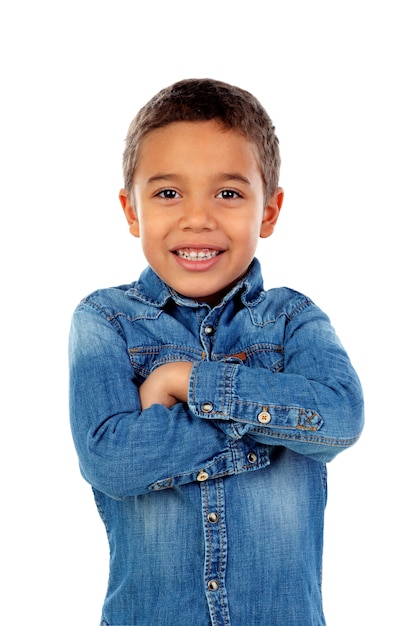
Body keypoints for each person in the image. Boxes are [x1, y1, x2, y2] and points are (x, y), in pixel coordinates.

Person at [69, 78, 364, 626]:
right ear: (131, 211)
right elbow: (113, 461)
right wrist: (266, 428)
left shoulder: (290, 318)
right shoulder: (105, 321)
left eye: (228, 193)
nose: (197, 217)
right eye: (167, 193)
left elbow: (341, 417)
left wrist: (185, 382)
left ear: (269, 212)